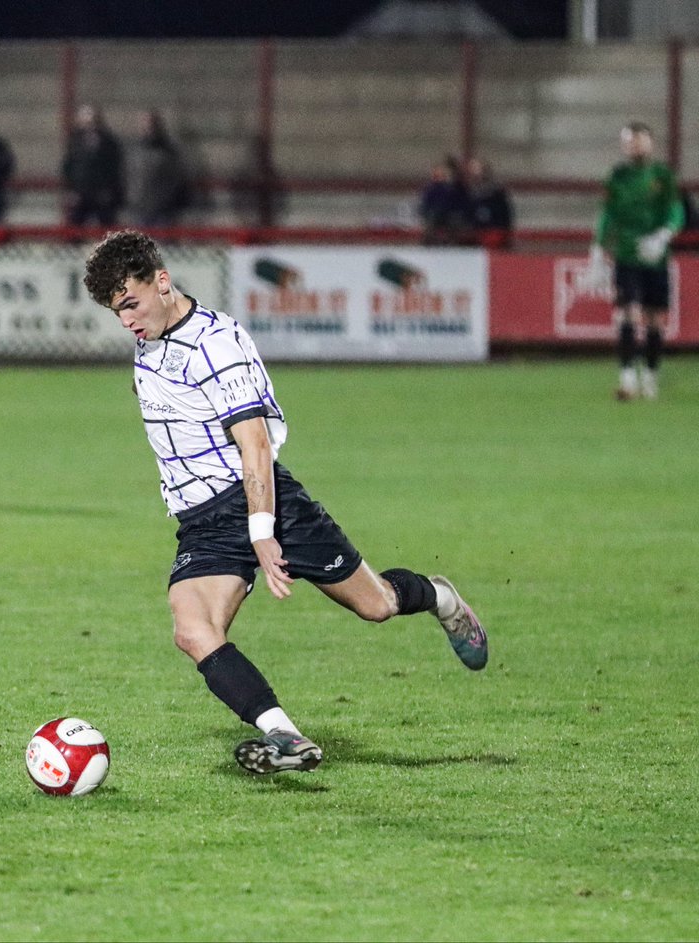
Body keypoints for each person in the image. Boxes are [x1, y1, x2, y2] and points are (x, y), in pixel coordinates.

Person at [82, 230, 488, 775]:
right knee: (193, 630)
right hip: (201, 521)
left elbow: (254, 445)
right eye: (116, 312)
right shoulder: (149, 340)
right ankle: (286, 737)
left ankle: (441, 598)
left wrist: (262, 529)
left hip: (265, 502)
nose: (127, 320)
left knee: (377, 606)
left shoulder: (215, 343)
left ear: (162, 281)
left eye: (130, 304)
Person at [588, 121, 684, 401]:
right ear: (623, 145)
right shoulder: (616, 177)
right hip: (627, 255)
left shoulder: (663, 175)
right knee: (627, 312)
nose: (634, 146)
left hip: (655, 257)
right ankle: (627, 377)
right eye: (630, 141)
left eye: (639, 140)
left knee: (655, 319)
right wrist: (597, 249)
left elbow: (675, 210)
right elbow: (607, 214)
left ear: (650, 143)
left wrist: (664, 235)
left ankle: (651, 375)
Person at [61, 104, 124, 227]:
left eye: (93, 119)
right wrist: (71, 190)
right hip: (80, 193)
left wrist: (109, 190)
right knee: (74, 229)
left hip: (102, 194)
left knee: (107, 229)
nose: (90, 123)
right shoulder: (74, 141)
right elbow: (67, 167)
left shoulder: (109, 142)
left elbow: (114, 168)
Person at [125, 110, 188, 228]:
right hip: (138, 208)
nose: (148, 128)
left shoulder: (168, 151)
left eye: (151, 125)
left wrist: (166, 200)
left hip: (163, 209)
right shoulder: (133, 150)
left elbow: (176, 178)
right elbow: (127, 175)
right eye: (145, 125)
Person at [417, 156, 471, 246]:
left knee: (456, 223)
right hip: (436, 217)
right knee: (431, 222)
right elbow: (425, 206)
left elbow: (465, 206)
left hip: (454, 218)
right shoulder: (433, 188)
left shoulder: (459, 189)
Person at [465, 156, 513, 248]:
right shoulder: (468, 190)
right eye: (472, 169)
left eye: (477, 168)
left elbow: (504, 213)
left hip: (494, 231)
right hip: (475, 233)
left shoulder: (496, 190)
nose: (474, 172)